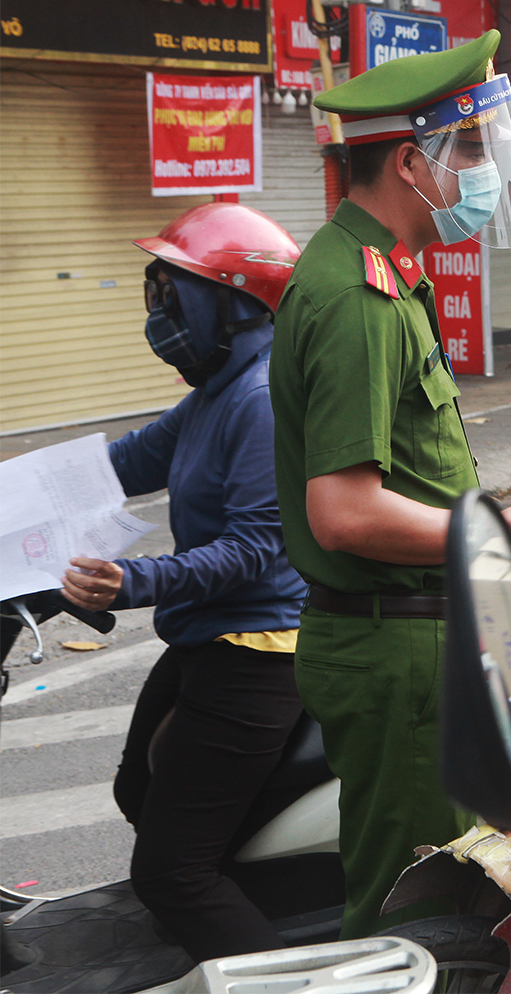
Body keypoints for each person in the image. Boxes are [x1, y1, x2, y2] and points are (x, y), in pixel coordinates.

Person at [269, 31, 511, 938]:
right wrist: (497, 529)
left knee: (453, 900)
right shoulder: (355, 296)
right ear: (412, 162)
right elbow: (343, 511)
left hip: (425, 637)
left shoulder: (387, 277)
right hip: (393, 650)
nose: (484, 175)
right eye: (475, 151)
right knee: (418, 915)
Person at [59, 203, 308, 963]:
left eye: (173, 296)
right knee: (139, 788)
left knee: (171, 872)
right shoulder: (213, 395)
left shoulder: (261, 400)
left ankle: (275, 973)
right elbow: (120, 465)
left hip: (258, 654)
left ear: (230, 304)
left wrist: (130, 580)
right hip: (210, 638)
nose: (160, 314)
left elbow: (254, 550)